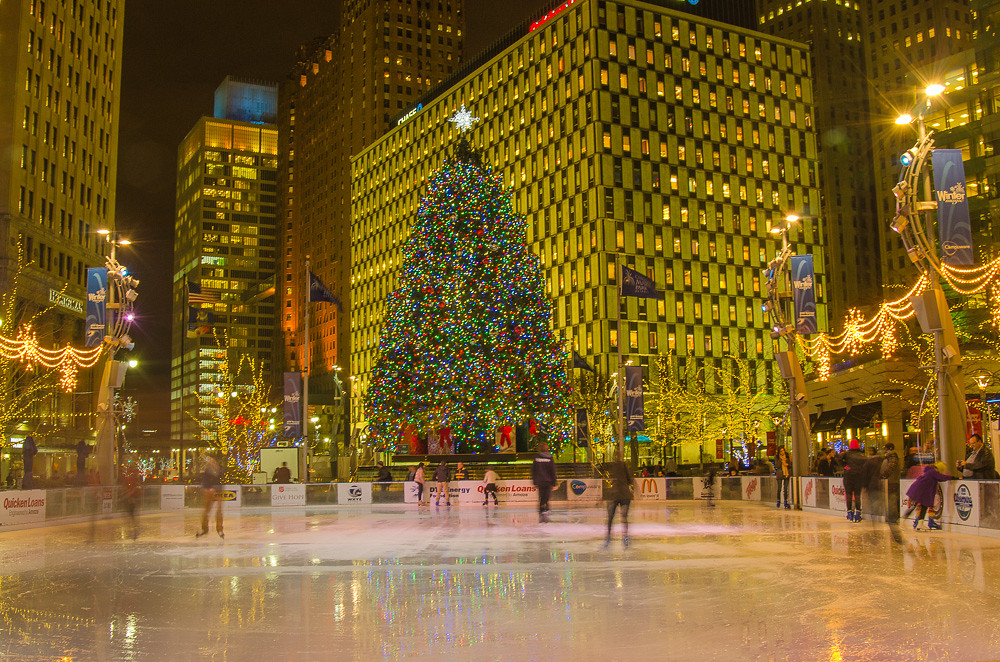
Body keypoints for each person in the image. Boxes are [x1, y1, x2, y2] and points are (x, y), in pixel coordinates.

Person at [904, 463, 953, 530]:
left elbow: (940, 478)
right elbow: (941, 477)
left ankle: (920, 524)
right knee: (915, 506)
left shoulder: (930, 472)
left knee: (923, 507)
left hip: (920, 491)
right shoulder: (933, 472)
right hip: (919, 491)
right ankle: (904, 519)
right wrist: (952, 477)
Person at [605, 449, 635, 547]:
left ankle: (609, 535)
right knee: (624, 516)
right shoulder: (624, 465)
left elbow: (609, 480)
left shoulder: (612, 466)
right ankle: (625, 535)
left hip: (615, 495)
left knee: (611, 516)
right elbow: (630, 480)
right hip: (625, 495)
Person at [196, 455, 224, 539]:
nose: (210, 461)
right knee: (206, 511)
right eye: (209, 460)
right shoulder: (208, 470)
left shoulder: (219, 469)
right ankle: (204, 529)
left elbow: (220, 481)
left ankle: (219, 529)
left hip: (217, 492)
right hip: (209, 492)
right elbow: (205, 481)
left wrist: (216, 489)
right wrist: (208, 489)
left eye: (211, 459)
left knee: (219, 511)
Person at [842, 439, 867, 523]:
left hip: (848, 476)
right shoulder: (862, 455)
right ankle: (858, 512)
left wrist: (845, 466)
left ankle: (849, 512)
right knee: (857, 495)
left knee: (848, 494)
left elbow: (838, 459)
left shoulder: (846, 454)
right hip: (858, 477)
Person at [531, 442, 557, 522]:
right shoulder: (549, 458)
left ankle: (542, 509)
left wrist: (534, 481)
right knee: (546, 496)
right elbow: (552, 470)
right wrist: (554, 482)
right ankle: (545, 509)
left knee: (542, 496)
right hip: (548, 481)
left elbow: (533, 470)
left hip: (540, 481)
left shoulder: (536, 458)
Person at [121, 461, 142, 540]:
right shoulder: (130, 478)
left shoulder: (133, 478)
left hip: (132, 499)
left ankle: (134, 531)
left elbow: (133, 488)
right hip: (131, 499)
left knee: (132, 516)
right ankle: (133, 531)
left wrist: (128, 494)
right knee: (130, 516)